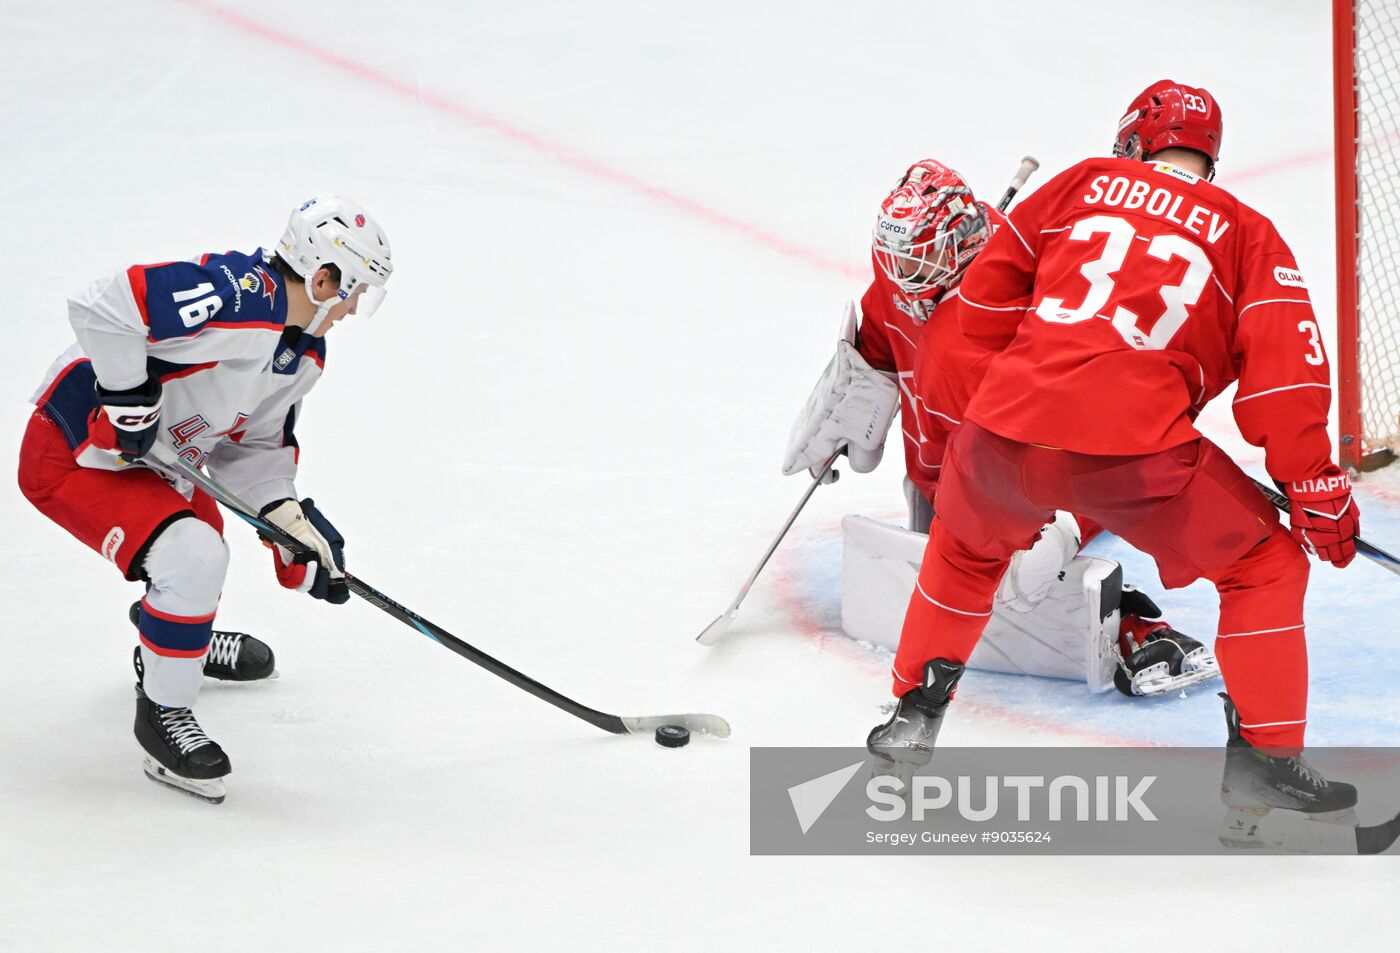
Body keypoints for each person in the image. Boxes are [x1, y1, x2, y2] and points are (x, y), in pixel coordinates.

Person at [867, 80, 1361, 816]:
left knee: (966, 551)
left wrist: (1037, 387)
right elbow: (1285, 382)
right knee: (1266, 564)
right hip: (1135, 451)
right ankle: (1265, 764)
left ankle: (913, 710)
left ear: (1133, 141)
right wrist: (1312, 482)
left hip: (1000, 431)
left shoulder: (1081, 182)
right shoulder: (1249, 233)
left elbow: (979, 314)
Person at [782, 159, 1211, 697]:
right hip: (942, 474)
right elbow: (886, 316)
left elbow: (1095, 440)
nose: (904, 280)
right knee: (955, 566)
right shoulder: (909, 274)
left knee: (1021, 568)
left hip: (1025, 482)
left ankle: (1131, 620)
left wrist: (1066, 525)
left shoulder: (1037, 296)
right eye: (897, 262)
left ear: (962, 244)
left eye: (921, 263)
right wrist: (863, 371)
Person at [17, 195, 393, 803]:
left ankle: (169, 641)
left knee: (201, 550)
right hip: (76, 451)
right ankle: (163, 714)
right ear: (322, 278)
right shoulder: (238, 294)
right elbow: (104, 306)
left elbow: (253, 447)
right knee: (193, 556)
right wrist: (127, 394)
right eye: (353, 293)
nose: (351, 311)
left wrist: (285, 519)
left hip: (159, 464)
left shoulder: (302, 352)